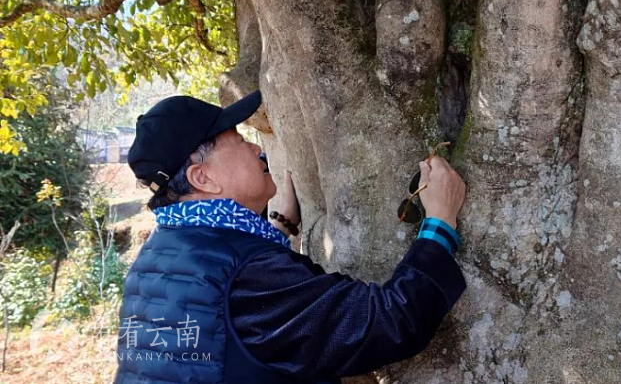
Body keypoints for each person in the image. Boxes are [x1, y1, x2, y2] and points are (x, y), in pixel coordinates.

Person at [114, 90, 467, 383]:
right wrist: (440, 219)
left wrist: (280, 225)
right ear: (203, 178)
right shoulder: (250, 278)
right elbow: (389, 323)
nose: (257, 149)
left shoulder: (155, 258)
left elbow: (228, 328)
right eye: (237, 140)